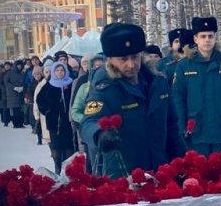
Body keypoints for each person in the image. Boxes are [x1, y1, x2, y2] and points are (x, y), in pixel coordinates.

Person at [80, 22, 186, 179]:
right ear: (110, 59)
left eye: (135, 57)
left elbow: (172, 128)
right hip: (124, 177)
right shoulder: (105, 90)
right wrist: (100, 134)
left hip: (162, 171)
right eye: (123, 59)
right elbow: (87, 123)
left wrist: (181, 162)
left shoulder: (158, 83)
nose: (131, 64)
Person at [171, 16, 221, 156]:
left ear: (215, 37)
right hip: (196, 132)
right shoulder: (184, 66)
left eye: (210, 36)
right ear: (195, 39)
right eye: (203, 36)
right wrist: (181, 128)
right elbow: (178, 98)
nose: (207, 40)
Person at [35, 62, 76, 174]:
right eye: (57, 70)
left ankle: (69, 170)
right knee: (56, 147)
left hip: (68, 121)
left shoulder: (71, 84)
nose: (59, 72)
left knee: (69, 146)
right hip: (54, 123)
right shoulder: (48, 85)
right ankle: (57, 169)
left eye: (62, 70)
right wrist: (48, 111)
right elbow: (40, 100)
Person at [3, 59, 26, 128]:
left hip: (21, 94)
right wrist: (13, 88)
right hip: (12, 94)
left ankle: (21, 123)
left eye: (20, 65)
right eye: (18, 65)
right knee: (14, 110)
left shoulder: (23, 74)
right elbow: (6, 82)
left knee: (21, 110)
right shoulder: (10, 73)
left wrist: (23, 87)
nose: (19, 67)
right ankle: (15, 124)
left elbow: (26, 82)